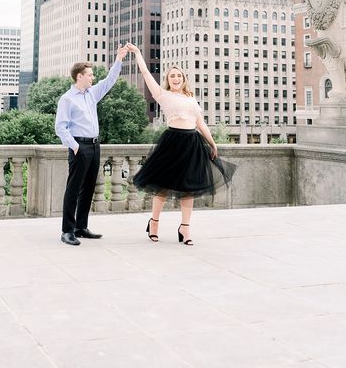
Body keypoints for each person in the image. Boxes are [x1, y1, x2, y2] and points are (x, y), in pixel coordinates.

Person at [127, 43, 236, 245]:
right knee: (162, 186)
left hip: (192, 143)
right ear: (168, 80)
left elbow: (200, 122)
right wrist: (138, 53)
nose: (176, 79)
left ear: (184, 79)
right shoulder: (162, 95)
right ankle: (154, 223)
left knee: (189, 188)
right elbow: (145, 72)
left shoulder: (191, 98)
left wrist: (212, 143)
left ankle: (185, 229)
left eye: (179, 76)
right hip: (172, 143)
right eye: (172, 76)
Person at [55, 45, 129, 245]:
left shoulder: (92, 94)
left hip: (95, 147)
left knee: (88, 188)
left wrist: (119, 58)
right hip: (80, 146)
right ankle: (67, 231)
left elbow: (110, 80)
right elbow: (60, 128)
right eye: (90, 75)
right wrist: (75, 146)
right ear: (79, 76)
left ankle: (81, 227)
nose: (93, 78)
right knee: (73, 189)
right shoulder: (67, 99)